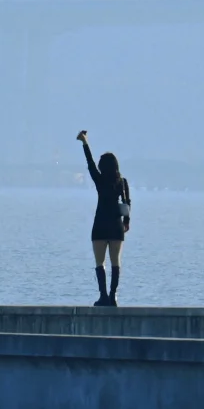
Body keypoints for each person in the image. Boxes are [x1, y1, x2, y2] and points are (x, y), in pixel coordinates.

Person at [76, 129, 130, 307]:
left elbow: (90, 163)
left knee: (100, 263)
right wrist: (126, 222)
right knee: (116, 263)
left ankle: (103, 296)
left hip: (100, 225)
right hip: (116, 226)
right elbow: (127, 202)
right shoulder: (122, 182)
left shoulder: (99, 181)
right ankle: (113, 297)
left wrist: (85, 142)